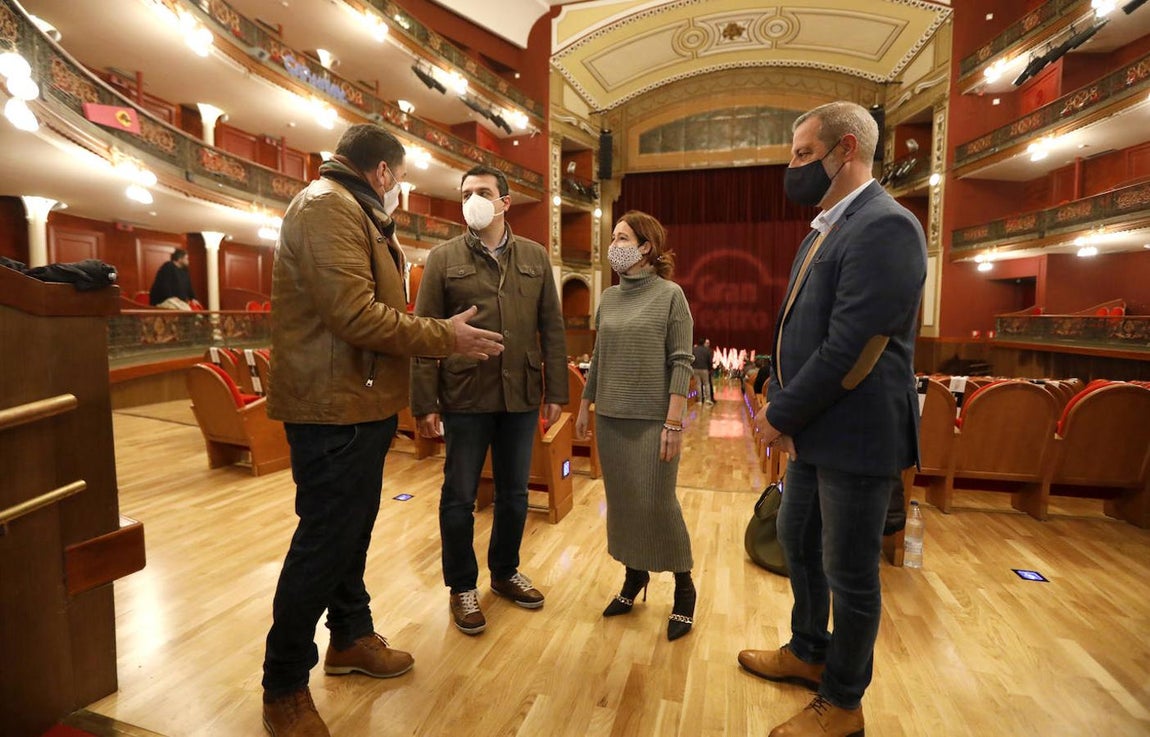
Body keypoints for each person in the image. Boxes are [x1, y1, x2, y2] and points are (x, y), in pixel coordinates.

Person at [262, 124, 505, 737]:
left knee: (351, 532)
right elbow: (356, 316)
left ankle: (349, 636)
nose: (400, 187)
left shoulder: (354, 209)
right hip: (329, 407)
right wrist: (444, 337)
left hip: (356, 403)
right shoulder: (327, 208)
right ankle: (284, 683)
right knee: (323, 543)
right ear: (382, 173)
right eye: (400, 176)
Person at [737, 101, 926, 737]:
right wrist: (770, 376)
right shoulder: (826, 226)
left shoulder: (886, 226)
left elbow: (853, 349)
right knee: (797, 543)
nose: (791, 169)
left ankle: (844, 703)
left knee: (849, 573)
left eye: (800, 155)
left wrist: (778, 413)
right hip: (818, 430)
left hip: (855, 434)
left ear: (845, 150)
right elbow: (799, 322)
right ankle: (808, 652)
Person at [411, 165, 568, 636]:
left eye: (482, 192)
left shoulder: (537, 258)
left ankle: (504, 572)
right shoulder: (442, 258)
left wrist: (556, 390)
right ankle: (462, 585)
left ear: (505, 202)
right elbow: (423, 334)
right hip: (465, 394)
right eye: (465, 194)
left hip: (520, 393)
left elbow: (552, 329)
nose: (472, 200)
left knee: (515, 493)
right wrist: (424, 402)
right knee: (458, 496)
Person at [574, 210, 697, 641]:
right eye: (613, 237)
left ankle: (684, 587)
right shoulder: (608, 298)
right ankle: (634, 576)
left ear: (646, 247)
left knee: (658, 504)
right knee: (624, 503)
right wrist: (585, 404)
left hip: (652, 421)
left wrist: (674, 422)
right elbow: (600, 356)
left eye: (622, 237)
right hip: (610, 417)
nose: (614, 244)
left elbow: (681, 361)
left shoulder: (670, 296)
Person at [691, 338, 714, 405]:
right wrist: (710, 369)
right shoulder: (707, 350)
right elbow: (710, 361)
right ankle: (708, 399)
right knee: (706, 384)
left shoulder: (694, 349)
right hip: (704, 369)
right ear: (704, 343)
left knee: (698, 384)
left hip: (695, 369)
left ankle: (700, 400)